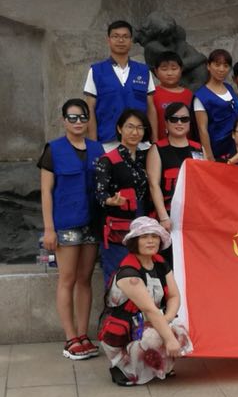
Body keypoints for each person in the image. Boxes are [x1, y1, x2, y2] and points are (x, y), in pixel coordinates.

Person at [38, 99, 105, 360]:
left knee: (85, 279)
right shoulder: (53, 149)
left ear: (88, 120)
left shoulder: (97, 148)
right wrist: (49, 229)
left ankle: (83, 335)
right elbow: (46, 192)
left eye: (82, 117)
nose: (78, 122)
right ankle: (70, 338)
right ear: (64, 120)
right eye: (72, 117)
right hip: (65, 223)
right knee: (67, 279)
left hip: (92, 222)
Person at [98, 217, 193, 386]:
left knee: (179, 330)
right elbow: (149, 309)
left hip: (150, 320)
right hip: (127, 329)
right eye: (144, 237)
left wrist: (167, 319)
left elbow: (174, 296)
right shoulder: (129, 272)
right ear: (135, 241)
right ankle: (125, 369)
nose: (151, 241)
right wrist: (168, 338)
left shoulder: (160, 263)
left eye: (154, 236)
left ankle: (160, 367)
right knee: (155, 337)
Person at [95, 109, 151, 284]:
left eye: (140, 128)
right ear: (120, 129)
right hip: (117, 228)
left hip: (142, 225)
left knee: (141, 277)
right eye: (130, 127)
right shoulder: (108, 159)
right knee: (117, 278)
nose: (135, 132)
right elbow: (100, 193)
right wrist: (111, 200)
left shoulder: (146, 158)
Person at [84, 20, 158, 150]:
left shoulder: (143, 71)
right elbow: (90, 108)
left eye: (125, 36)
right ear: (108, 40)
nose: (121, 40)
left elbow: (151, 108)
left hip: (140, 143)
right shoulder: (96, 71)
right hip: (108, 143)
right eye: (116, 36)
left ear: (131, 40)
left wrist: (154, 142)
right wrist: (93, 145)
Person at [146, 102, 203, 247]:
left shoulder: (198, 148)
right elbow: (153, 185)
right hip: (168, 215)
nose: (179, 123)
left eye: (184, 119)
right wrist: (163, 217)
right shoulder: (157, 148)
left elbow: (206, 181)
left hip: (194, 215)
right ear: (166, 123)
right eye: (174, 119)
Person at [194, 49, 237, 161]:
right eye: (217, 65)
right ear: (208, 66)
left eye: (226, 66)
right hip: (217, 149)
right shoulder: (201, 96)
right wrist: (209, 157)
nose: (221, 69)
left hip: (235, 146)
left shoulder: (229, 88)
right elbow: (202, 129)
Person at [151, 51, 194, 141]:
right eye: (164, 69)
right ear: (156, 71)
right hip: (161, 144)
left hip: (187, 143)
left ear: (181, 70)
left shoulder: (189, 94)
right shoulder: (152, 94)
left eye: (174, 69)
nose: (169, 73)